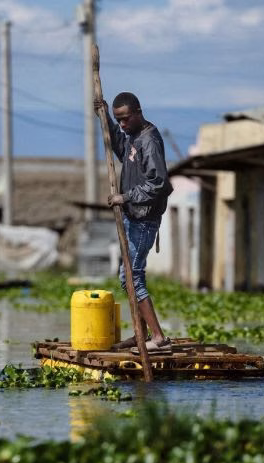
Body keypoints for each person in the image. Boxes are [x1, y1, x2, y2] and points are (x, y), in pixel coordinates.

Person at [95, 91, 173, 351]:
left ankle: (158, 337)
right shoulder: (131, 137)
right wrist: (104, 116)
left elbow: (159, 184)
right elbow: (118, 145)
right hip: (132, 216)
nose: (123, 125)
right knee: (128, 275)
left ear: (139, 112)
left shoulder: (149, 140)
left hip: (144, 218)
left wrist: (125, 197)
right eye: (119, 120)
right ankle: (140, 333)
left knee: (132, 277)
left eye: (126, 119)